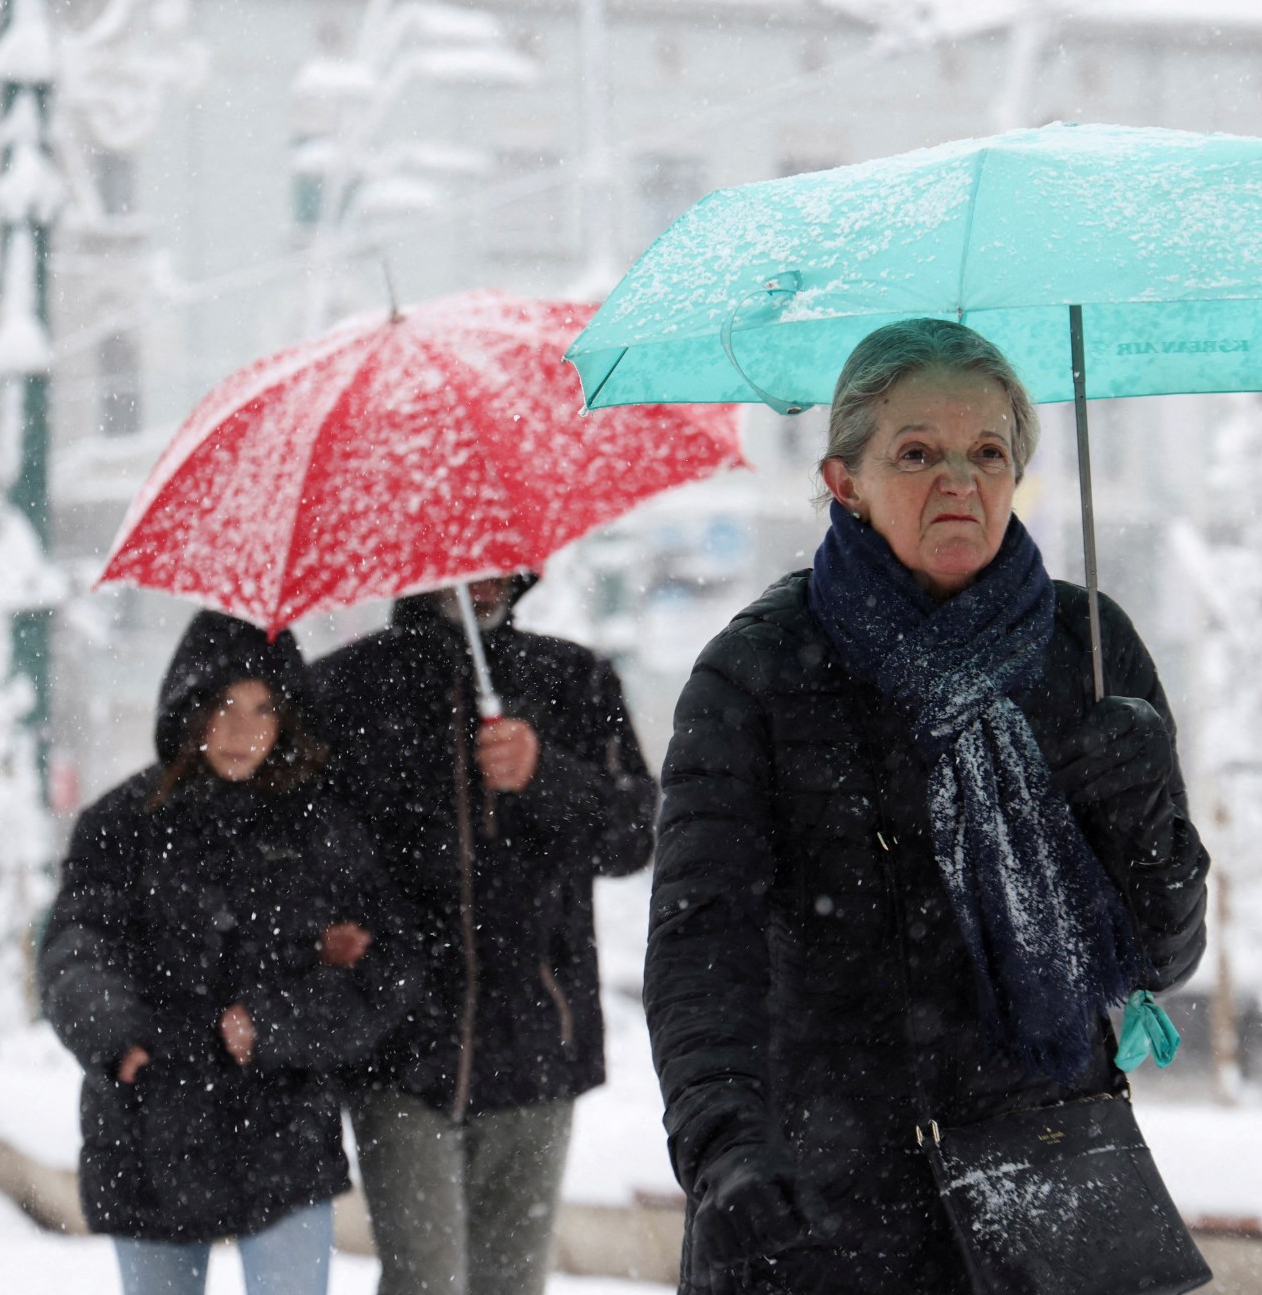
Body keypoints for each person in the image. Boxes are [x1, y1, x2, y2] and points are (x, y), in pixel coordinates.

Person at [645, 319, 1211, 1293]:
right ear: (844, 480)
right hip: (822, 1202)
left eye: (988, 451)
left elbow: (1164, 955)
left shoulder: (1088, 647)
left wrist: (1146, 810)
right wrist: (725, 1147)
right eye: (917, 452)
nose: (960, 479)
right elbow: (703, 948)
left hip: (1046, 1196)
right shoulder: (760, 671)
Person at [40, 610, 421, 1295]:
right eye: (222, 705)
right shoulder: (122, 824)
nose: (242, 731)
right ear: (189, 707)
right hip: (149, 1117)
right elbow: (76, 946)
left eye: (263, 708)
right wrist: (115, 1035)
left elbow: (387, 970)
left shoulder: (323, 833)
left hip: (282, 1131)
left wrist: (276, 1022)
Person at [311, 575, 658, 1295]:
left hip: (534, 1040)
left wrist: (545, 776)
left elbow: (634, 835)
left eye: (503, 548)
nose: (487, 569)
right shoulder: (345, 690)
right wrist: (323, 933)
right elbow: (300, 849)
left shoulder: (574, 679)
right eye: (467, 553)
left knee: (511, 1283)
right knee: (425, 1281)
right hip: (399, 1045)